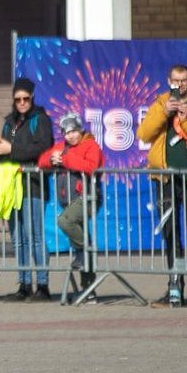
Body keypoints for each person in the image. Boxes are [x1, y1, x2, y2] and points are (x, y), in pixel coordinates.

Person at [139, 65, 187, 309]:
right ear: (168, 80)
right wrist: (164, 113)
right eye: (175, 80)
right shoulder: (159, 103)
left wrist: (185, 120)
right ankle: (175, 290)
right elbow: (144, 133)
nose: (179, 85)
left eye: (183, 80)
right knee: (171, 235)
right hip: (166, 179)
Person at [0, 77, 54, 300]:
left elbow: (43, 148)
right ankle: (24, 284)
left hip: (33, 185)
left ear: (32, 97)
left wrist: (11, 147)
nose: (22, 103)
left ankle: (42, 285)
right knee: (18, 238)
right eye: (18, 99)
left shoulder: (40, 119)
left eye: (26, 98)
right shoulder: (10, 122)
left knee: (35, 235)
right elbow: (5, 156)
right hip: (12, 186)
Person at [41, 112, 105, 298]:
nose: (71, 135)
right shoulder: (61, 147)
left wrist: (65, 160)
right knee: (80, 238)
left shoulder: (90, 145)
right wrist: (51, 160)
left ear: (80, 130)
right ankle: (89, 291)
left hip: (88, 197)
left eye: (74, 131)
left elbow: (92, 166)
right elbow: (42, 160)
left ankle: (84, 252)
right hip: (69, 200)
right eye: (67, 132)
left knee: (65, 222)